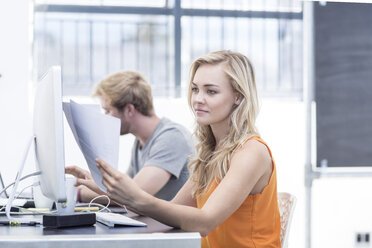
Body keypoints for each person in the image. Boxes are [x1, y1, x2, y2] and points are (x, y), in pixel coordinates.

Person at [74, 50, 281, 248]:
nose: (198, 99)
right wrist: (105, 194)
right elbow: (172, 215)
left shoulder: (251, 152)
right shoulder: (210, 154)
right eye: (195, 89)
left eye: (211, 91)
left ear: (238, 96)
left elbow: (205, 221)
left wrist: (135, 198)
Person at [66, 71, 193, 202]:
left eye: (108, 110)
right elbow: (123, 189)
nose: (105, 117)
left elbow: (131, 196)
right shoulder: (140, 142)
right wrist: (89, 182)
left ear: (129, 110)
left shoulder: (172, 138)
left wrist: (74, 193)